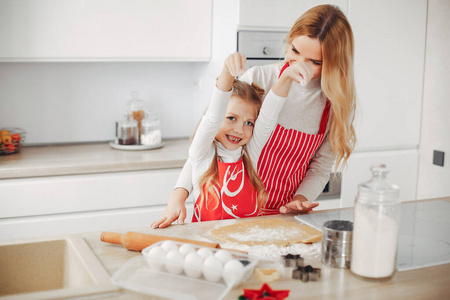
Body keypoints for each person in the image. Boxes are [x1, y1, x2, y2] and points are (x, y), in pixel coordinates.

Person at [151, 4, 356, 228]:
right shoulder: (258, 78)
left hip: (283, 216)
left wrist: (300, 200)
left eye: (314, 62)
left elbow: (320, 168)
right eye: (295, 51)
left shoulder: (335, 104)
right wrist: (177, 196)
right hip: (235, 213)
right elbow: (209, 138)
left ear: (334, 64)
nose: (299, 65)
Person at [162, 52, 312, 222]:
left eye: (249, 123)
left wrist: (286, 77)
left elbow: (269, 116)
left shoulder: (250, 154)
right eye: (231, 118)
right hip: (208, 242)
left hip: (246, 242)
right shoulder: (202, 152)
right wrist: (227, 70)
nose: (240, 130)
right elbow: (213, 117)